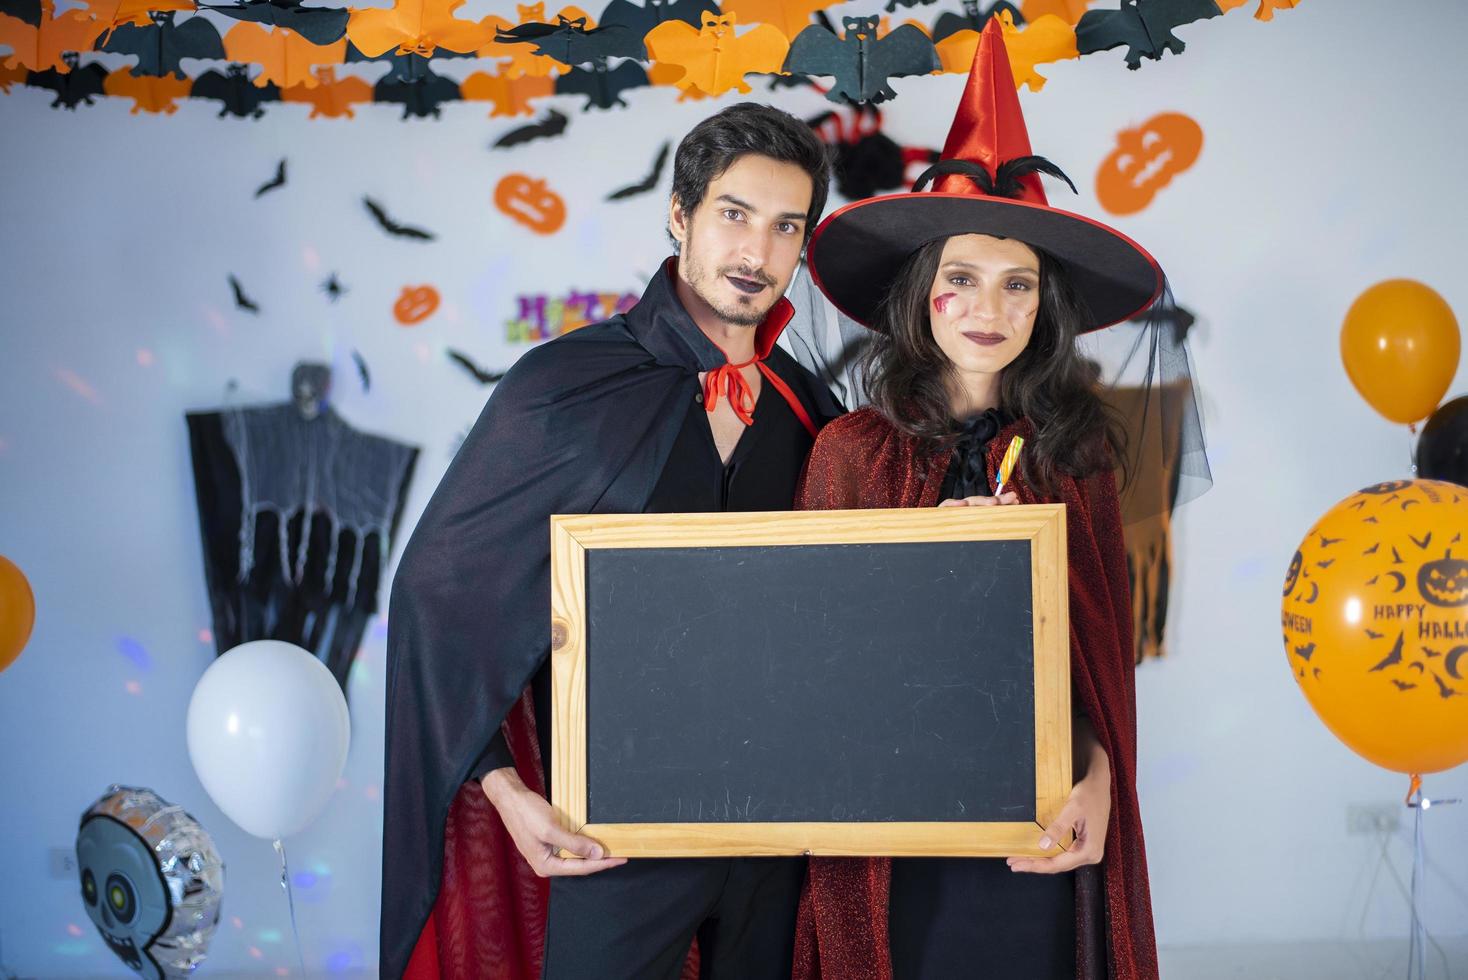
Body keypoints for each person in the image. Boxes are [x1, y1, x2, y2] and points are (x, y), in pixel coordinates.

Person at [379, 102, 843, 980]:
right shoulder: (564, 386)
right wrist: (503, 789)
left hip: (783, 831)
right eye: (734, 215)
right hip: (615, 831)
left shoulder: (811, 412)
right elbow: (437, 593)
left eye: (787, 227)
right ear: (680, 214)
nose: (757, 253)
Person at [789, 20, 1205, 980]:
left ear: (1045, 307)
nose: (990, 309)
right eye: (962, 280)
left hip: (1041, 822)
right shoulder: (852, 455)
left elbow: (1101, 667)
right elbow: (807, 665)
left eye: (1018, 285)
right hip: (899, 836)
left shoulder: (1077, 458)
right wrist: (920, 565)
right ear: (918, 296)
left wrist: (1103, 782)